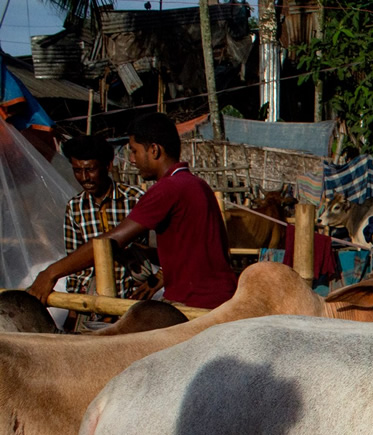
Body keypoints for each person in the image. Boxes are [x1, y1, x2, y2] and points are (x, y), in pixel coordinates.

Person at [29, 113, 237, 310]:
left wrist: (50, 273)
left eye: (135, 151)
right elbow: (189, 252)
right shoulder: (196, 183)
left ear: (154, 150)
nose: (133, 160)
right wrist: (142, 254)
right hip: (218, 296)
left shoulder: (166, 189)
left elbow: (109, 241)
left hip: (195, 302)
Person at [57, 134, 153, 300]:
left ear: (107, 166)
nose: (84, 178)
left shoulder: (135, 199)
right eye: (77, 171)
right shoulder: (75, 207)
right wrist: (75, 304)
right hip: (93, 297)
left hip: (133, 296)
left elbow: (162, 250)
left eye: (90, 170)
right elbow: (73, 259)